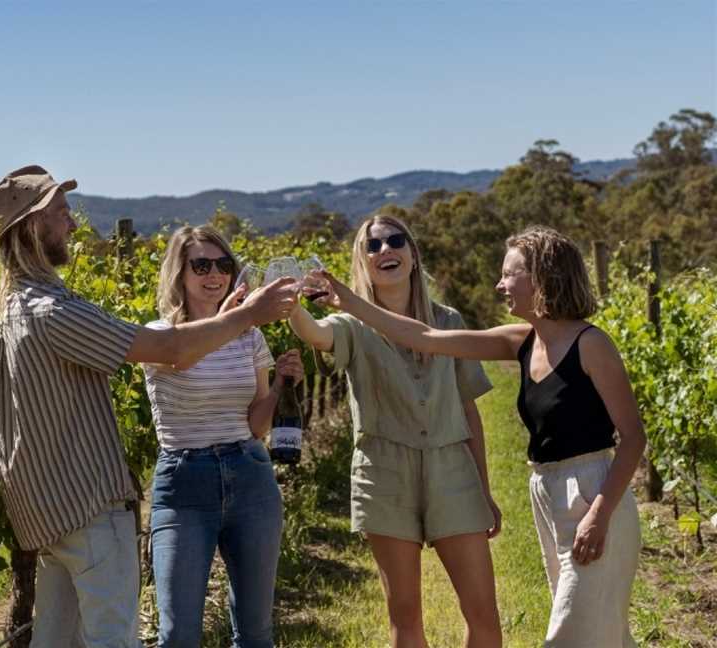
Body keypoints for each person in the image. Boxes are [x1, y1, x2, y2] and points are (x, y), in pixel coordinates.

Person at [0, 166, 298, 648]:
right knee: (114, 639)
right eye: (62, 214)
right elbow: (170, 350)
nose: (73, 224)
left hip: (44, 513)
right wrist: (250, 313)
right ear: (31, 227)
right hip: (86, 505)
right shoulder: (52, 312)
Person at [313, 224, 645, 647]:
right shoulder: (524, 341)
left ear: (542, 277)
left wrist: (600, 514)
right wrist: (351, 302)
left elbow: (633, 436)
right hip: (547, 493)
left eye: (509, 274)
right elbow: (425, 337)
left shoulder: (591, 344)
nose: (499, 284)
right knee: (601, 629)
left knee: (573, 631)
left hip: (595, 493)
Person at [289, 214, 503, 648]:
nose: (385, 250)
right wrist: (290, 302)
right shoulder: (350, 325)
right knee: (404, 621)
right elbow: (313, 332)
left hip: (451, 468)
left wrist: (484, 488)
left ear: (412, 253)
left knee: (484, 616)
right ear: (362, 263)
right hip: (383, 472)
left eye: (395, 240)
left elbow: (468, 410)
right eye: (372, 246)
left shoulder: (447, 320)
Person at [143, 225, 303, 648]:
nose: (214, 274)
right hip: (184, 483)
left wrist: (283, 385)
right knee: (178, 636)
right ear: (179, 272)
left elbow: (256, 425)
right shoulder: (159, 335)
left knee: (255, 634)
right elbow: (181, 355)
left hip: (249, 474)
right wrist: (238, 316)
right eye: (201, 265)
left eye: (223, 264)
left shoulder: (250, 336)